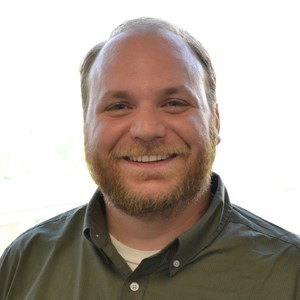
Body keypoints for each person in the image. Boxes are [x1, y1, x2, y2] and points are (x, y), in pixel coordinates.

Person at [0, 17, 299, 299]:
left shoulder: (290, 275)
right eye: (118, 106)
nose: (147, 130)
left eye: (173, 103)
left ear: (215, 122)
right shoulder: (23, 263)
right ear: (86, 128)